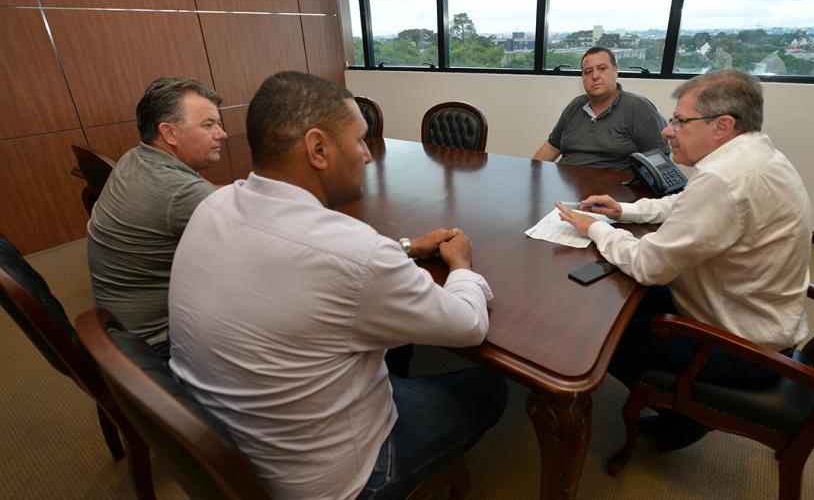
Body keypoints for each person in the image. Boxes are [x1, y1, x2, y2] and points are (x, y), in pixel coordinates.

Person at [167, 71, 508, 500]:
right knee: (491, 387)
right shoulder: (356, 252)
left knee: (394, 343)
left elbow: (320, 259)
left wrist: (405, 247)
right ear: (318, 149)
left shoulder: (213, 205)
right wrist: (460, 265)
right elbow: (470, 325)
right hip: (333, 481)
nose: (366, 155)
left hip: (231, 449)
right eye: (360, 140)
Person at [556, 69, 812, 451]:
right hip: (751, 314)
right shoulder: (753, 154)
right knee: (617, 305)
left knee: (602, 340)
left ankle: (685, 415)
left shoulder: (725, 179)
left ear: (722, 125)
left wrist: (596, 228)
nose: (667, 130)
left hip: (743, 349)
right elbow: (686, 201)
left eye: (679, 121)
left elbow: (648, 266)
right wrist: (624, 211)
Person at [87, 76, 226, 359]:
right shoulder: (180, 193)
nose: (222, 134)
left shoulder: (136, 157)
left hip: (118, 327)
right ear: (169, 133)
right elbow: (264, 240)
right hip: (157, 344)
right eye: (208, 125)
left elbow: (203, 195)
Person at [532, 46, 669, 170]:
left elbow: (659, 159)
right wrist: (531, 174)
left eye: (602, 69)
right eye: (588, 71)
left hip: (612, 187)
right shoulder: (575, 106)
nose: (595, 76)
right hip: (568, 183)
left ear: (615, 71)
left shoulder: (639, 108)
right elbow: (551, 147)